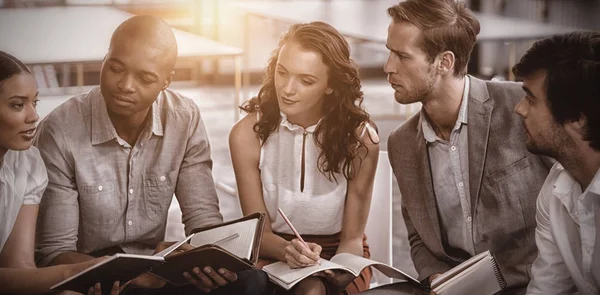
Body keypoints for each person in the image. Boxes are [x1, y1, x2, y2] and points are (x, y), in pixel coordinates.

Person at [33, 15, 269, 295]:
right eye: (116, 68)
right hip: (90, 271)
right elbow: (55, 253)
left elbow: (203, 220)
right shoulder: (60, 131)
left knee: (250, 282)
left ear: (167, 80)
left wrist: (205, 259)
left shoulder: (184, 119)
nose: (126, 85)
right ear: (105, 59)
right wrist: (137, 273)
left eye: (145, 78)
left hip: (155, 269)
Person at [365, 0, 552, 294]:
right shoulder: (402, 143)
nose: (388, 67)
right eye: (390, 53)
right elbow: (417, 237)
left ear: (444, 62)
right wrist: (435, 275)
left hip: (531, 285)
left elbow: (577, 196)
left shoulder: (521, 107)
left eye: (402, 56)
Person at [229, 21, 380, 294]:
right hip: (272, 251)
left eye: (306, 80)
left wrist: (342, 269)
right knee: (309, 290)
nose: (287, 88)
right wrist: (288, 250)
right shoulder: (246, 134)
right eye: (282, 73)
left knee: (315, 289)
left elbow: (353, 238)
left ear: (331, 86)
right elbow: (258, 234)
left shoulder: (361, 139)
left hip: (340, 254)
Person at [0, 51, 120, 295]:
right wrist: (74, 273)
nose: (33, 116)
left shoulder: (27, 164)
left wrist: (74, 285)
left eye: (35, 102)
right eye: (17, 105)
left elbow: (20, 267)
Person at [512, 32, 600, 295]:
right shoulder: (556, 190)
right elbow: (547, 288)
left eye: (531, 98)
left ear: (578, 119)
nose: (519, 109)